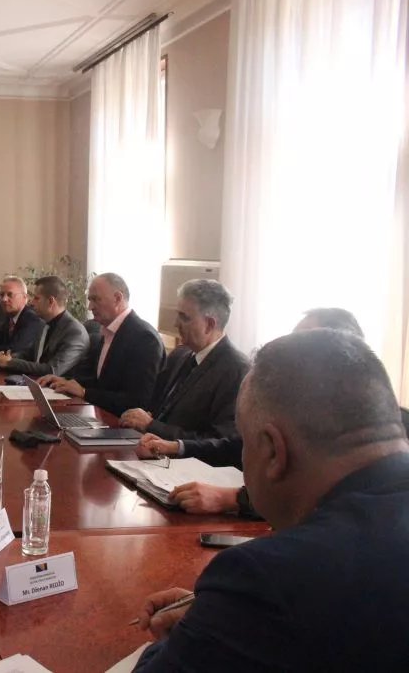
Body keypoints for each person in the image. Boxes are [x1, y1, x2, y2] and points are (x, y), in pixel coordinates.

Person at [132, 329, 409, 671]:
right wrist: (223, 615)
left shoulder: (266, 578)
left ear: (273, 451)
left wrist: (216, 621)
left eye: (245, 443)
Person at [136, 307, 364, 516]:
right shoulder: (301, 401)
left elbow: (326, 502)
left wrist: (232, 499)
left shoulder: (357, 421)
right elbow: (238, 445)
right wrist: (176, 447)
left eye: (302, 343)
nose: (289, 348)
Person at [118, 280, 249, 439]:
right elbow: (154, 409)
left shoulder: (236, 370)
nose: (176, 324)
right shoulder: (180, 355)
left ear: (209, 324)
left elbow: (218, 441)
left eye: (184, 317)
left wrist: (152, 426)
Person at [39, 273, 163, 415]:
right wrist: (65, 381)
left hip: (121, 424)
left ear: (117, 298)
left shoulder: (144, 338)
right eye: (90, 300)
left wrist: (84, 392)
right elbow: (101, 382)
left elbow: (136, 402)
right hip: (100, 417)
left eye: (96, 299)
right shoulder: (108, 331)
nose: (90, 307)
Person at [0, 275, 89, 376]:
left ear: (51, 301)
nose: (32, 302)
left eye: (36, 298)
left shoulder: (75, 332)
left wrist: (10, 362)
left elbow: (52, 370)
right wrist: (8, 357)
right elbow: (30, 354)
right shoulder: (45, 323)